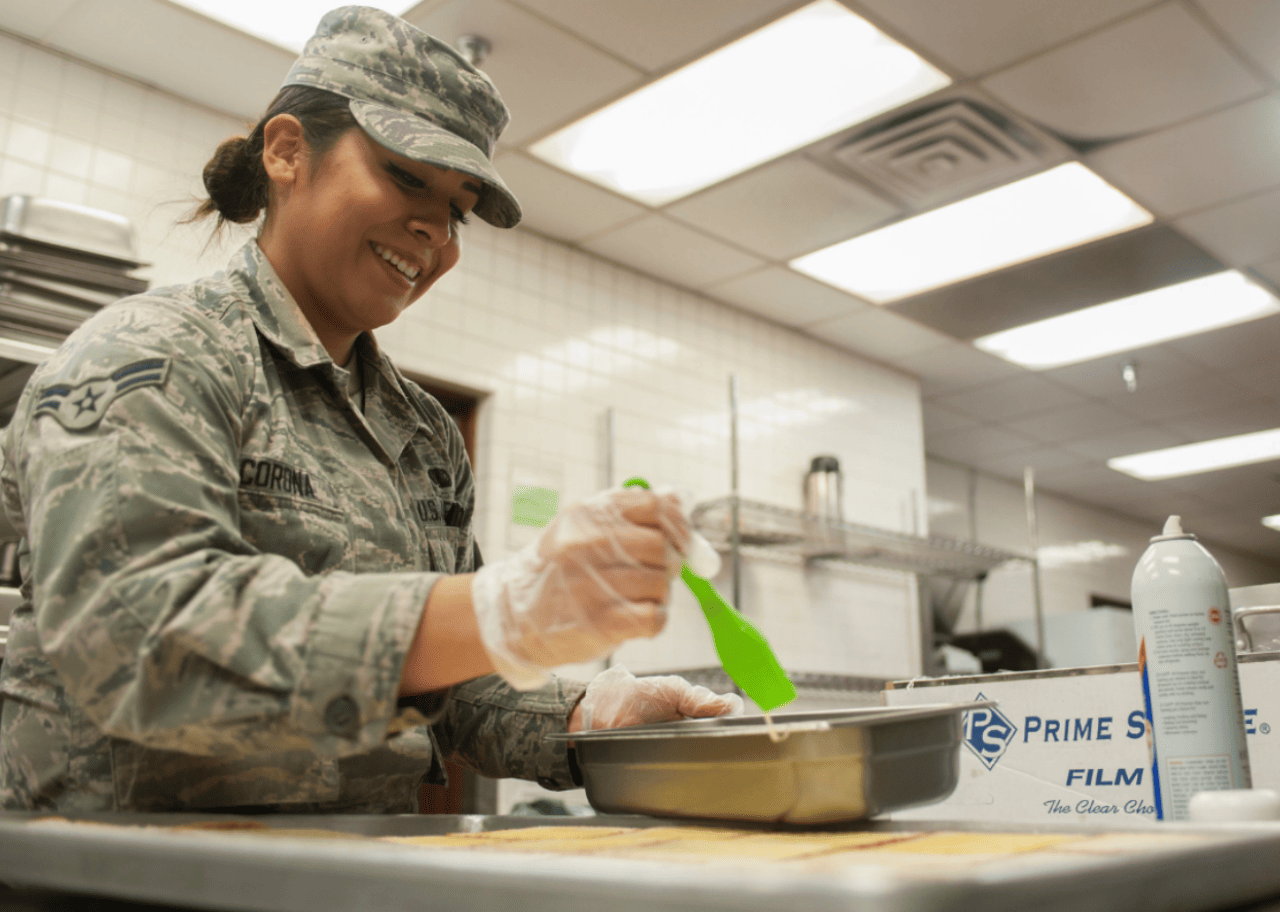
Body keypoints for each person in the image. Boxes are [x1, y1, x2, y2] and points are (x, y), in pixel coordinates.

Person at [0, 6, 741, 813]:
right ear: (286, 151)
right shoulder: (156, 354)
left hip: (350, 877)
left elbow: (452, 689)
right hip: (113, 881)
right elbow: (140, 640)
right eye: (407, 175)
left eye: (457, 209)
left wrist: (585, 716)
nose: (434, 229)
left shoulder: (422, 434)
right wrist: (501, 607)